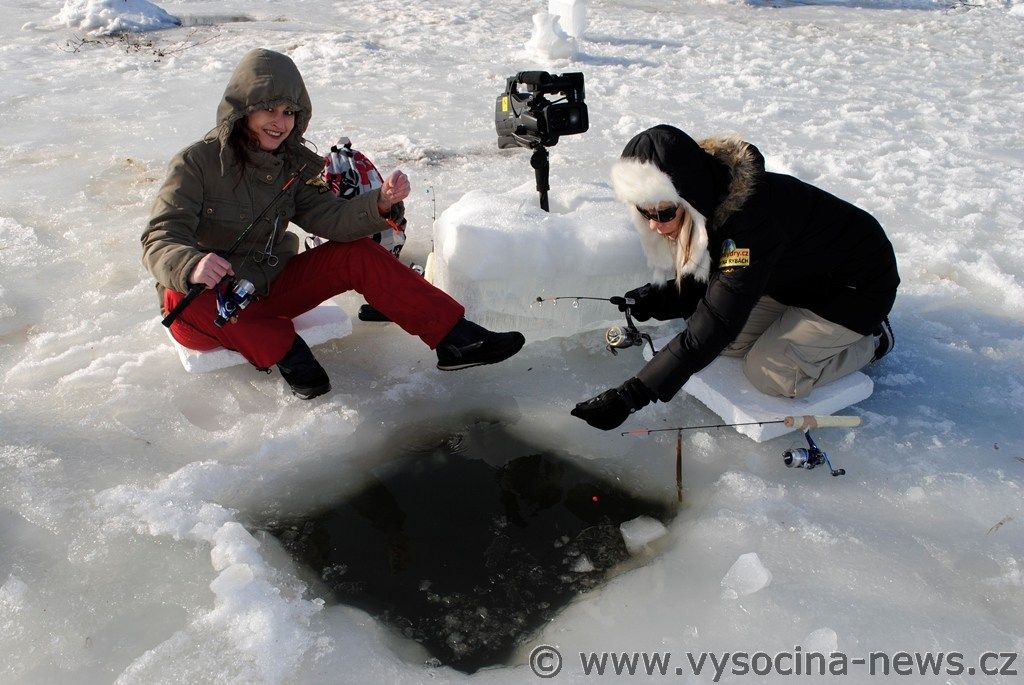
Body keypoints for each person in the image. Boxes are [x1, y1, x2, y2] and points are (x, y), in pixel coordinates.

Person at [142, 48, 524, 399]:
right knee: (179, 297)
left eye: (289, 113)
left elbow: (331, 219)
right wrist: (192, 265)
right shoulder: (197, 163)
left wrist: (380, 202)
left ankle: (455, 339)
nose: (280, 122)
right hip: (211, 302)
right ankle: (285, 348)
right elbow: (160, 236)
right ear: (244, 109)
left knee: (356, 253)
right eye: (270, 110)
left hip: (267, 287)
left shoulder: (294, 165)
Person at [571, 125, 899, 430]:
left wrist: (633, 395)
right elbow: (716, 281)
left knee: (770, 373)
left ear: (688, 195)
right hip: (793, 280)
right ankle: (799, 328)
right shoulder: (710, 200)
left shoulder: (750, 225)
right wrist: (659, 298)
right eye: (645, 212)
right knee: (731, 346)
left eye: (665, 213)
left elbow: (718, 319)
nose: (655, 224)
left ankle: (871, 341)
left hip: (855, 289)